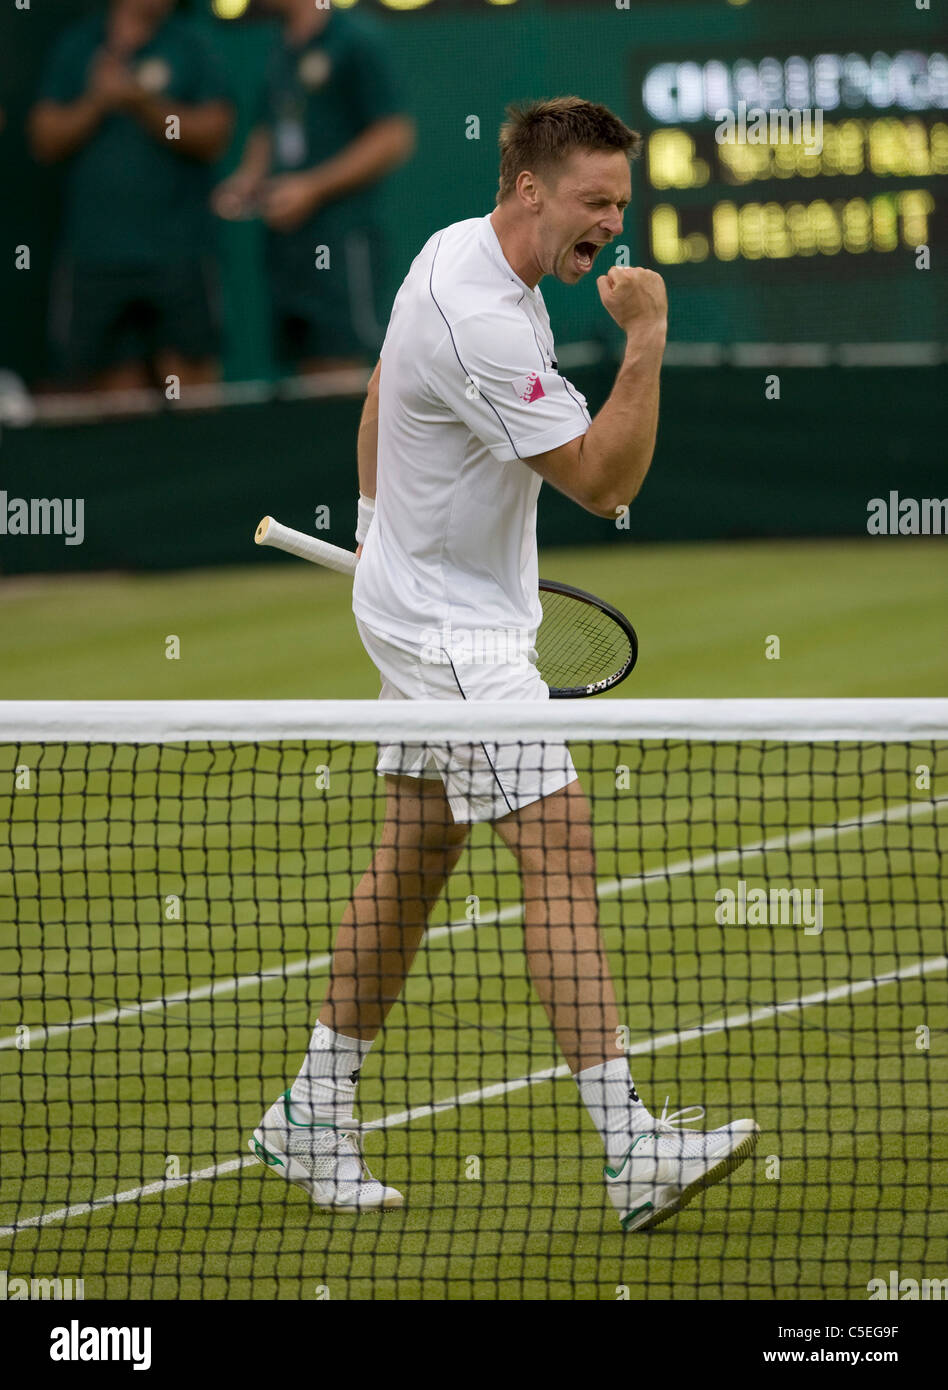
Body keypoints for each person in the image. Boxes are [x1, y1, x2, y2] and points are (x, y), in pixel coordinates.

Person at [249, 98, 759, 1233]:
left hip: (431, 601)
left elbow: (383, 395)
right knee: (559, 841)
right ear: (530, 187)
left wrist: (381, 524)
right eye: (595, 204)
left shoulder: (453, 256)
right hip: (452, 631)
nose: (610, 230)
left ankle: (308, 1112)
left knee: (420, 847)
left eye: (620, 206)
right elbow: (605, 482)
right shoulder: (482, 311)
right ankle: (631, 1145)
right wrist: (647, 338)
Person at [28, 0, 233, 392]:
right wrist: (99, 101)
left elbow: (214, 135)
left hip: (179, 253)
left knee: (195, 396)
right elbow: (45, 139)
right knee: (116, 407)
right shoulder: (79, 45)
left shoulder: (191, 45)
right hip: (97, 257)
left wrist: (144, 104)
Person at [212, 0, 414, 376]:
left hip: (342, 242)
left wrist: (312, 188)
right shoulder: (279, 49)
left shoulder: (356, 38)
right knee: (301, 380)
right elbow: (268, 127)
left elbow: (393, 137)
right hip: (286, 248)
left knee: (339, 371)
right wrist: (247, 180)